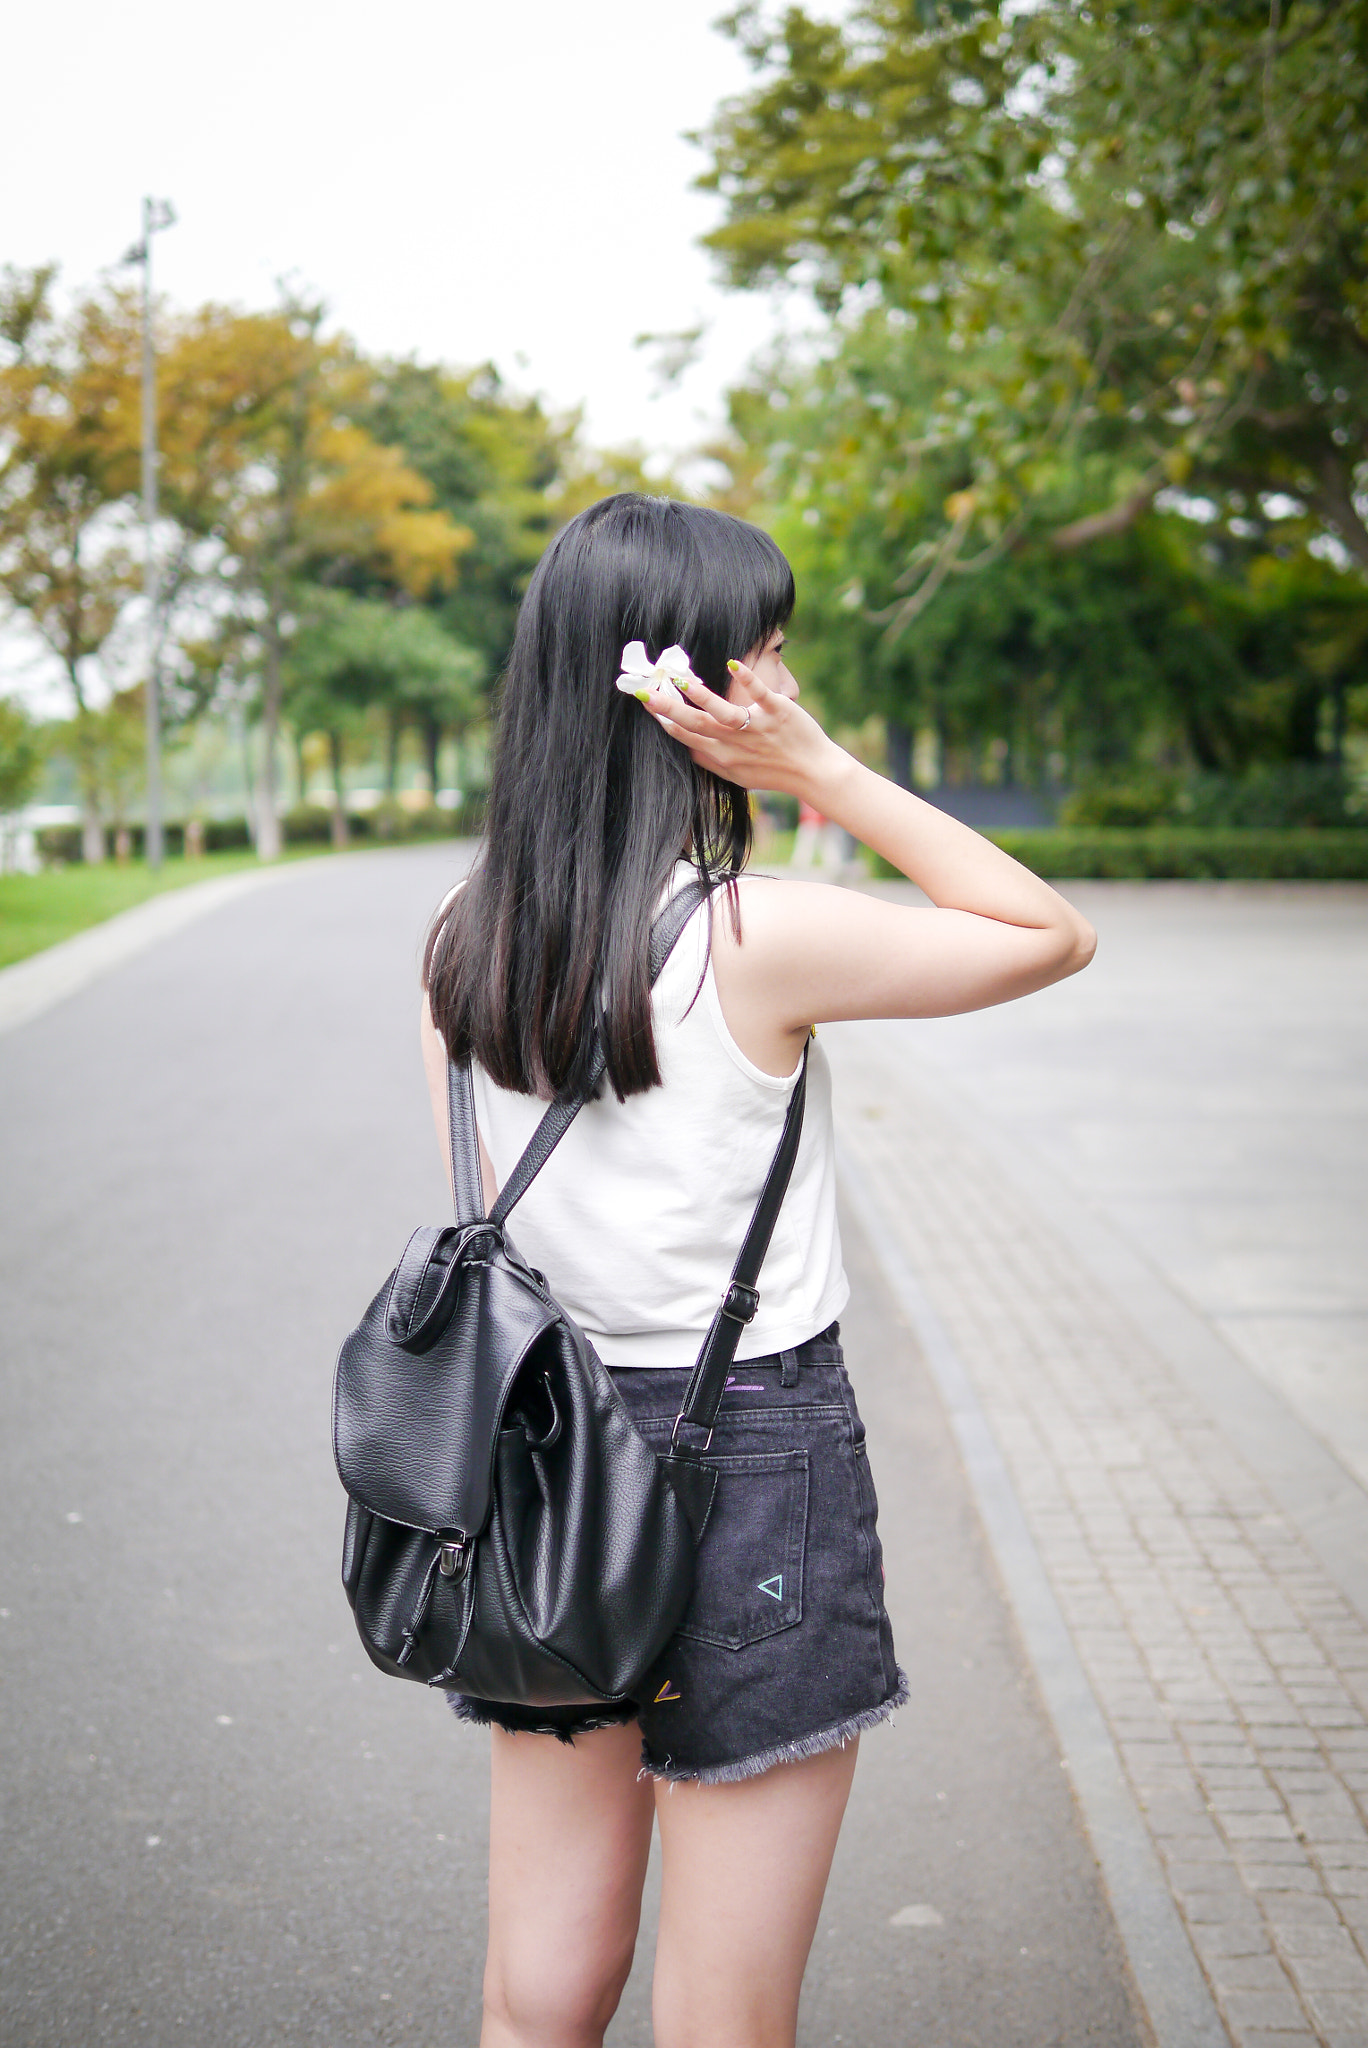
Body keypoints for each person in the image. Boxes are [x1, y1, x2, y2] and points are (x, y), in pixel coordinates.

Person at [419, 494, 1096, 2048]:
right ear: (698, 693)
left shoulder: (462, 938)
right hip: (755, 1458)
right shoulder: (758, 937)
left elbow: (495, 1227)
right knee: (727, 2016)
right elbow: (1045, 933)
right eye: (774, 662)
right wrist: (828, 775)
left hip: (544, 1453)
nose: (790, 690)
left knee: (539, 1991)